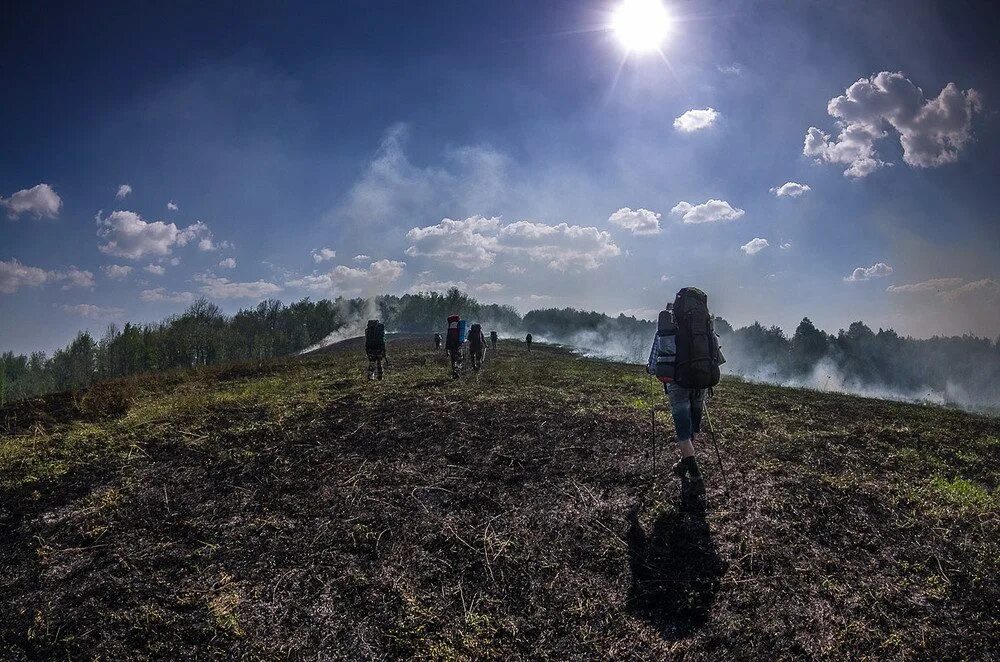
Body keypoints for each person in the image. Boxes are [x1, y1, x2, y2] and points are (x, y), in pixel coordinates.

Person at [647, 288, 723, 496]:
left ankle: (695, 474)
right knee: (693, 425)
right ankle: (684, 463)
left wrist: (652, 368)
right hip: (700, 378)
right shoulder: (704, 323)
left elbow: (656, 358)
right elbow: (716, 350)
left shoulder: (668, 324)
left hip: (678, 382)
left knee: (682, 429)